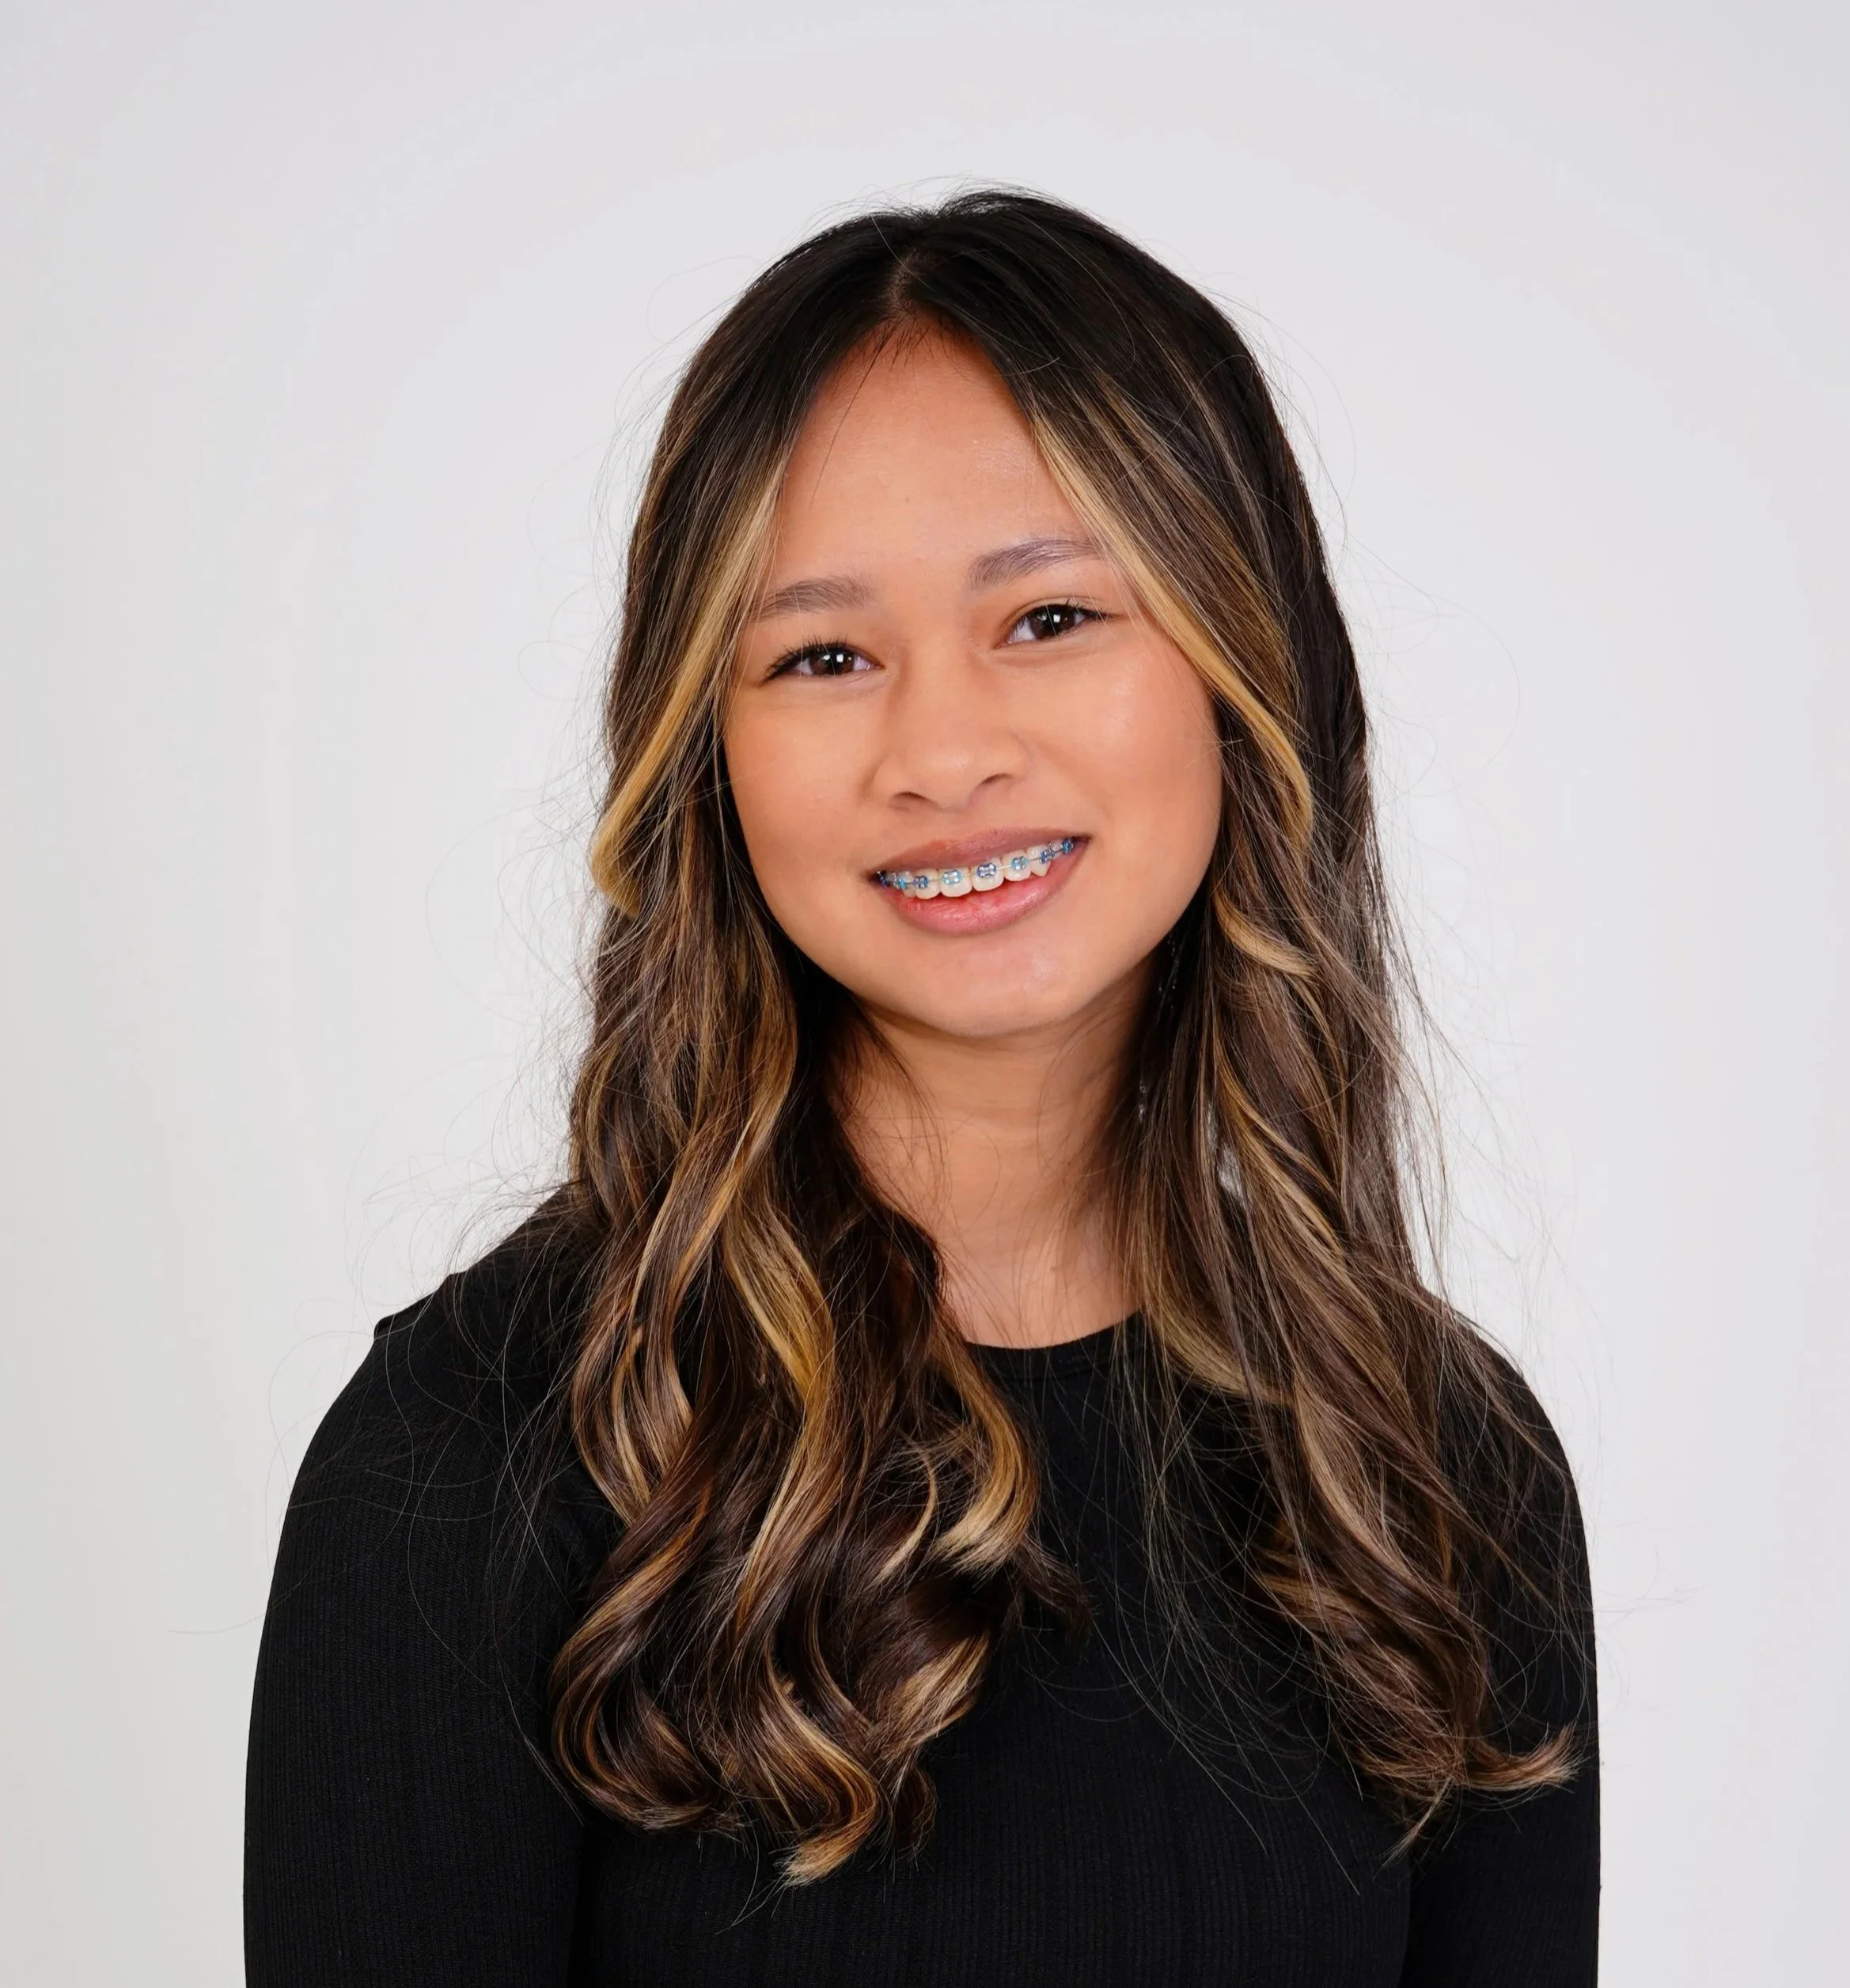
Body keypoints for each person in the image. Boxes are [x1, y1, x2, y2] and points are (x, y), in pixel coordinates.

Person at [245, 190, 1598, 1986]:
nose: (944, 752)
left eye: (1047, 615)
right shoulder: (471, 1460)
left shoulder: (1435, 1475)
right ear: (706, 754)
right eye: (822, 655)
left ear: (1238, 664)